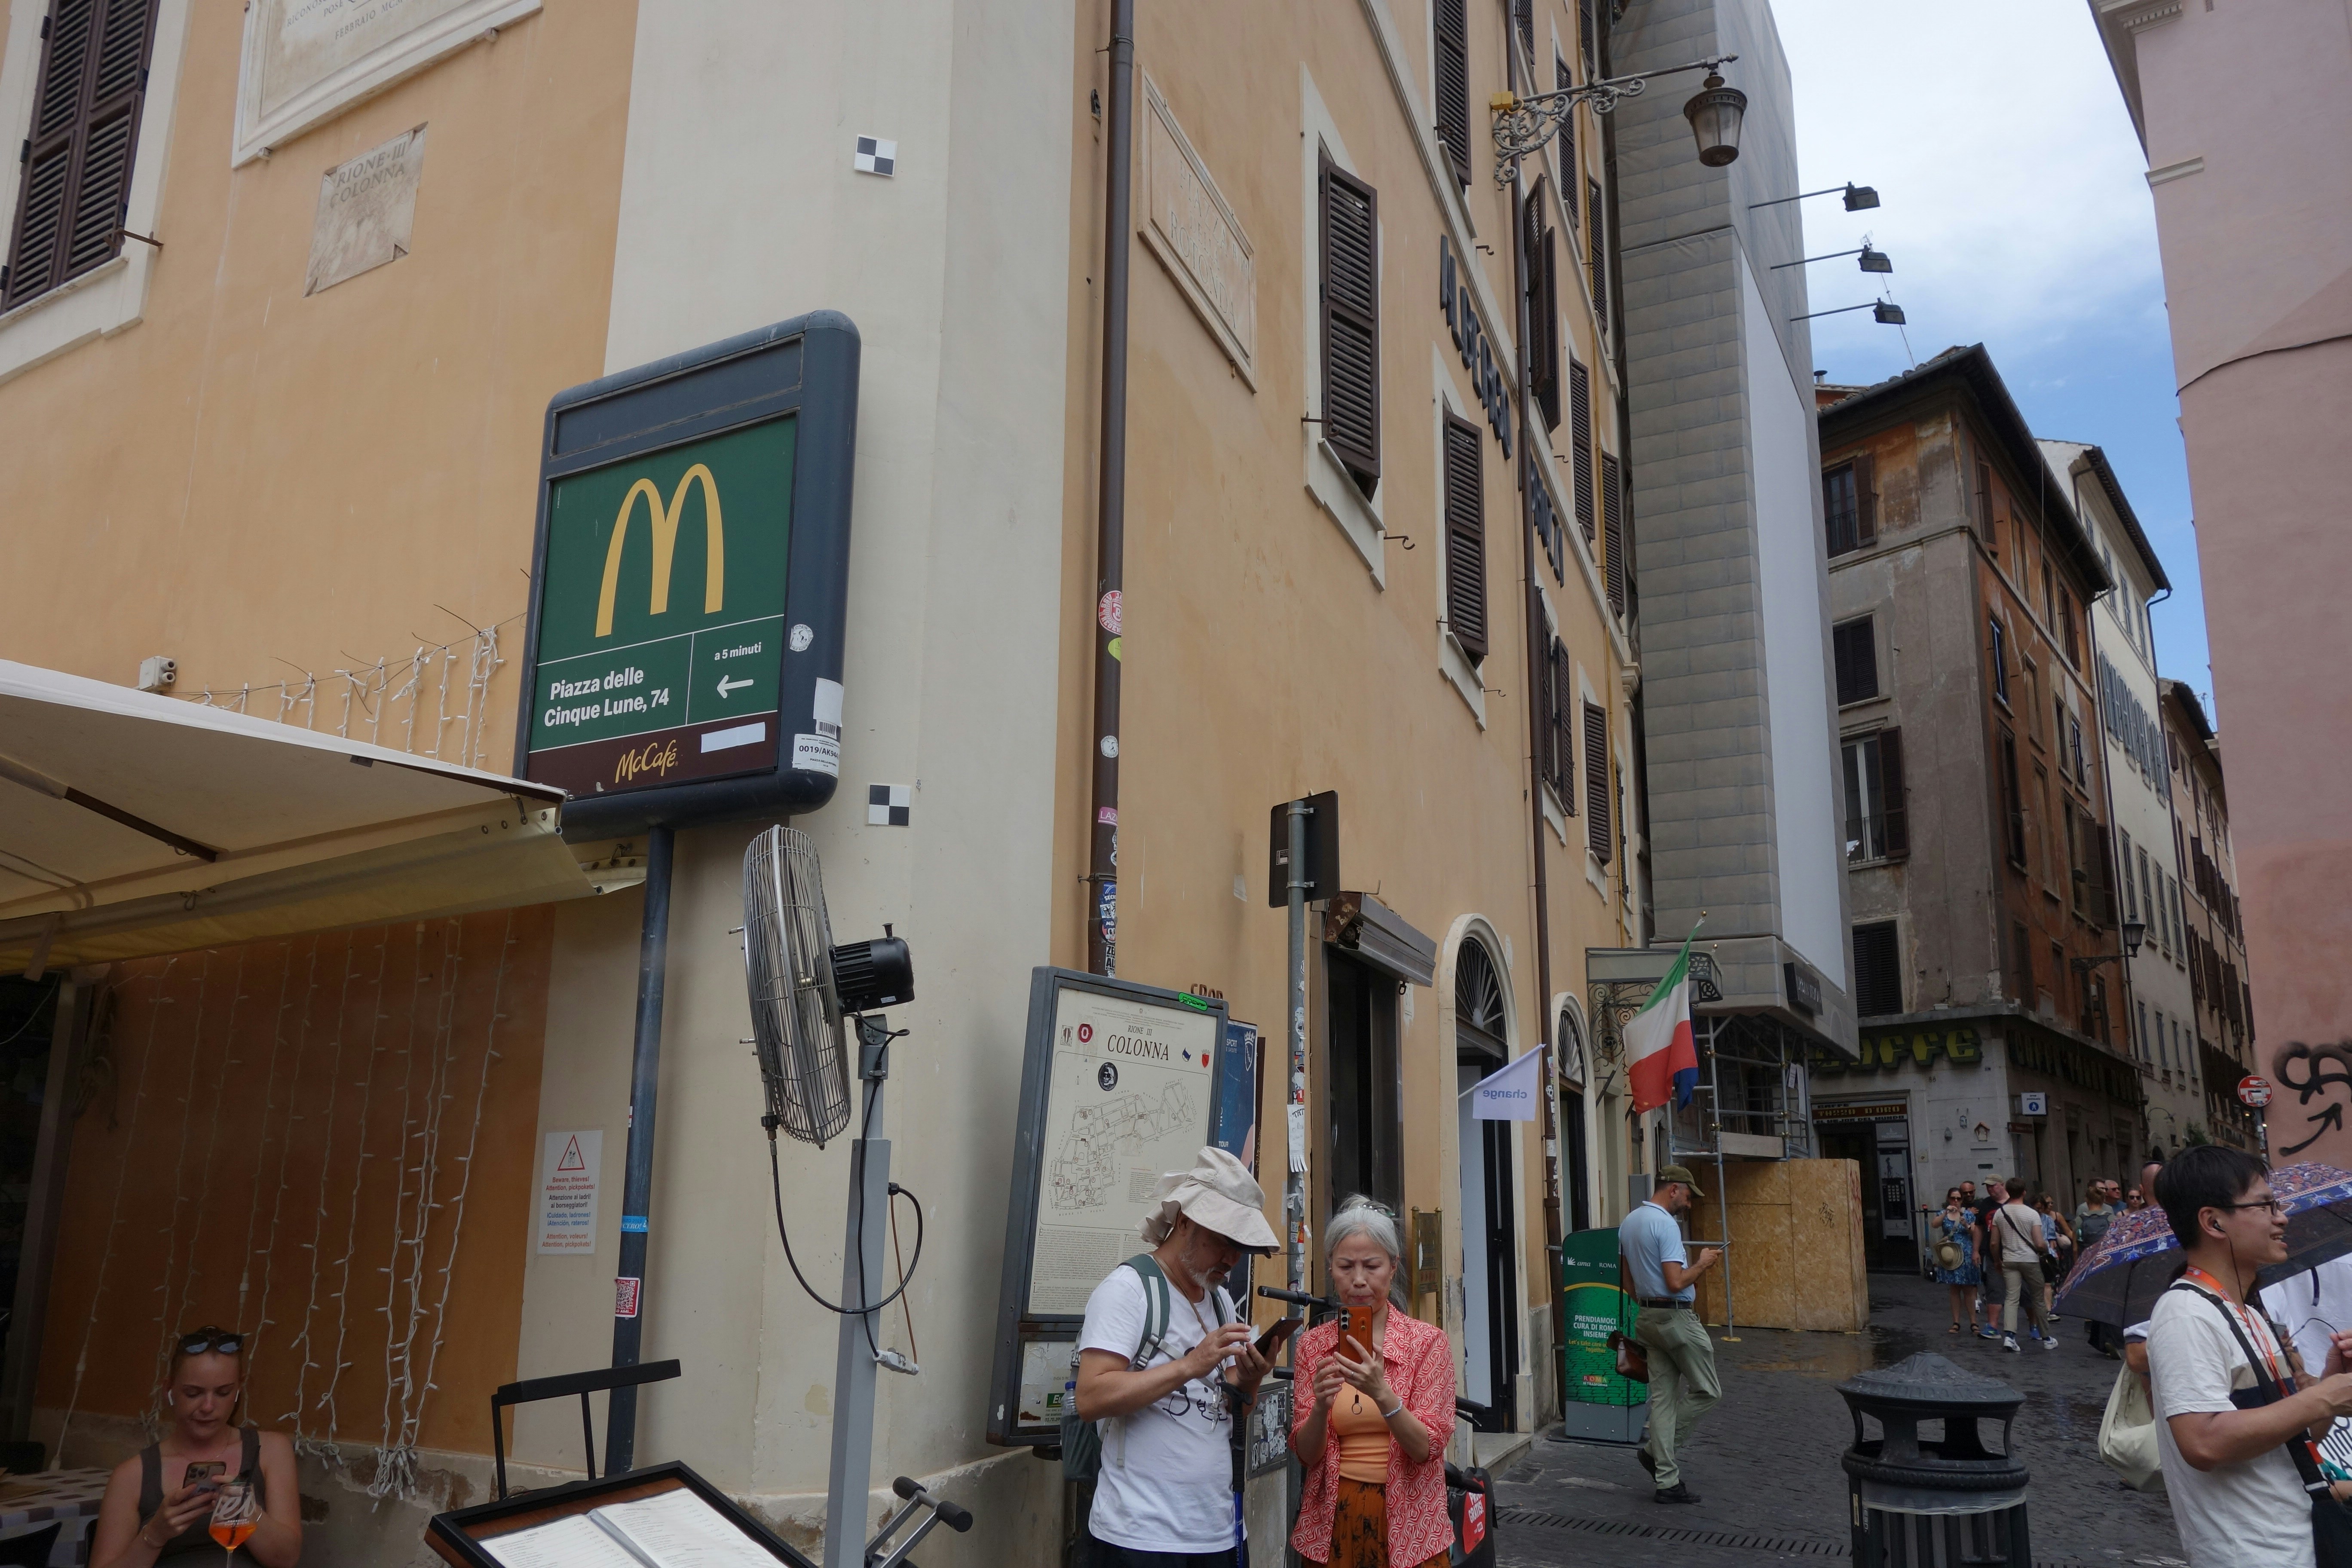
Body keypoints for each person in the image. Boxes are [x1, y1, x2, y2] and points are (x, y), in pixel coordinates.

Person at [2147, 1145, 2352, 1568]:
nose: (2282, 1218)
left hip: (2298, 1539)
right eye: (2266, 1205)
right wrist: (2322, 1398)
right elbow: (2203, 1442)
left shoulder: (2249, 1312)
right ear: (2213, 1221)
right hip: (2251, 1553)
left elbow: (2303, 1435)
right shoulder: (2186, 1313)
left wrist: (2330, 1378)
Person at [1075, 1147, 1278, 1566]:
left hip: (1217, 1532)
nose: (1233, 1258)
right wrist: (1189, 1365)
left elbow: (1228, 1414)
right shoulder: (1129, 1290)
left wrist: (1250, 1382)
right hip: (1140, 1537)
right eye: (1224, 1240)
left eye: (1242, 1247)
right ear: (1185, 1221)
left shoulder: (1221, 1301)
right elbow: (1090, 1398)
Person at [1289, 1198, 1455, 1568]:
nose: (1359, 1280)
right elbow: (1307, 1455)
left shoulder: (1426, 1343)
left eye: (1372, 1266)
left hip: (1411, 1524)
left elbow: (1427, 1448)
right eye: (1346, 1266)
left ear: (1393, 1268)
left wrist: (1383, 1394)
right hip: (1332, 1519)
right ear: (1331, 1268)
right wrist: (1319, 1407)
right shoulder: (1315, 1345)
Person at [90, 1326, 301, 1568]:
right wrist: (154, 1536)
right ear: (169, 1390)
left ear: (239, 1389)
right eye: (193, 1393)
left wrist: (248, 1514)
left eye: (223, 1393)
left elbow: (287, 1560)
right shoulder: (132, 1475)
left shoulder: (270, 1450)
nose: (208, 1407)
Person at [1619, 1165, 1721, 1503]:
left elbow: (1627, 1283)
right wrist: (1704, 1263)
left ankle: (1667, 1483)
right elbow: (1676, 1282)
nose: (1689, 1206)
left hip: (1647, 1317)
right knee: (1708, 1391)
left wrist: (1649, 1305)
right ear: (1674, 1189)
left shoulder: (1630, 1222)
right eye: (1688, 1197)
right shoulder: (1665, 1224)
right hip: (1676, 1319)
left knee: (1662, 1400)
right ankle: (1655, 1452)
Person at [1991, 1177, 2056, 1353]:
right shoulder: (2032, 1214)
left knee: (2011, 1298)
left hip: (2009, 1260)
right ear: (2024, 1193)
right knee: (2038, 1299)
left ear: (2008, 1192)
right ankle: (2047, 1338)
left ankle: (2010, 1337)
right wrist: (2044, 1248)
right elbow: (2040, 1243)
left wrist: (1997, 1261)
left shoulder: (2000, 1213)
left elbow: (1994, 1244)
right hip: (2030, 1260)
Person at [2078, 1181, 2123, 1356]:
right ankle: (2112, 1339)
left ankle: (2102, 1340)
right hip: (2109, 1262)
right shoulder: (2110, 1218)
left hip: (2090, 1264)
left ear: (2087, 1201)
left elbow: (2076, 1243)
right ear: (2104, 1200)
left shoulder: (2081, 1219)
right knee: (2111, 1301)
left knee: (2098, 1301)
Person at [1931, 1188, 1985, 1336]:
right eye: (1953, 1198)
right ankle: (1956, 1322)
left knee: (1969, 1289)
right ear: (1948, 1199)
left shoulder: (1968, 1214)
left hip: (1966, 1253)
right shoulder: (1944, 1213)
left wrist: (1966, 1225)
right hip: (1950, 1254)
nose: (1956, 1201)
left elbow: (1976, 1232)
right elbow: (1935, 1225)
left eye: (1959, 1199)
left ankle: (1974, 1322)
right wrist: (1944, 1213)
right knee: (1954, 1289)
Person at [2037, 1192, 2078, 1321]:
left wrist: (2077, 1243)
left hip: (2055, 1251)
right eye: (2047, 1203)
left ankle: (2052, 1306)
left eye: (2052, 1203)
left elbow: (2068, 1232)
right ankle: (2044, 1307)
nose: (2050, 1205)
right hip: (2041, 1251)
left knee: (2054, 1280)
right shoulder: (2036, 1217)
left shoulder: (2056, 1216)